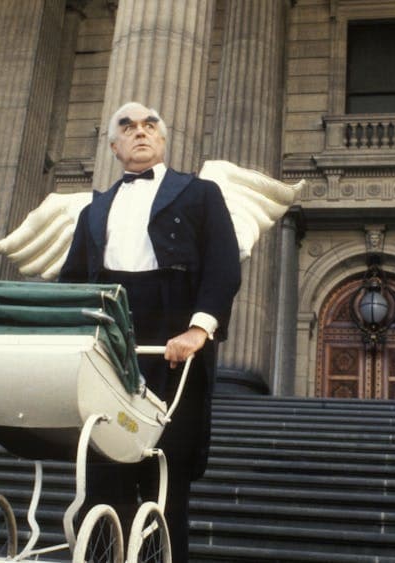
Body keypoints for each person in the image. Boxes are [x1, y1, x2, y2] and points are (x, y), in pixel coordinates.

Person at [59, 101, 241, 562]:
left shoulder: (200, 194)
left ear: (163, 139)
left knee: (165, 476)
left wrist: (199, 331)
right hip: (110, 333)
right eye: (128, 126)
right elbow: (74, 282)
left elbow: (223, 266)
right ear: (114, 145)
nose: (140, 132)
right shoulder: (93, 210)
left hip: (173, 338)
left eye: (150, 125)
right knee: (103, 472)